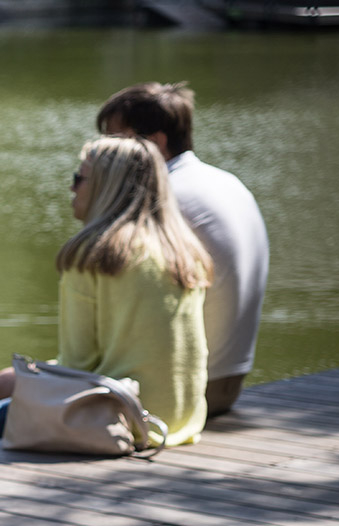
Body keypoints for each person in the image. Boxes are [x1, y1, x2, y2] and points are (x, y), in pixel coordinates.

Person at [0, 136, 213, 447]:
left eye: (78, 178)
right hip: (182, 420)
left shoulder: (95, 255)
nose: (71, 188)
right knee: (3, 391)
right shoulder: (182, 249)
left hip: (125, 421)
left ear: (104, 186)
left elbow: (77, 365)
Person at [96, 82, 269, 416]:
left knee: (1, 401)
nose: (103, 150)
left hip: (181, 391)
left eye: (115, 139)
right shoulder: (228, 183)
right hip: (228, 381)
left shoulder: (164, 198)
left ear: (156, 141)